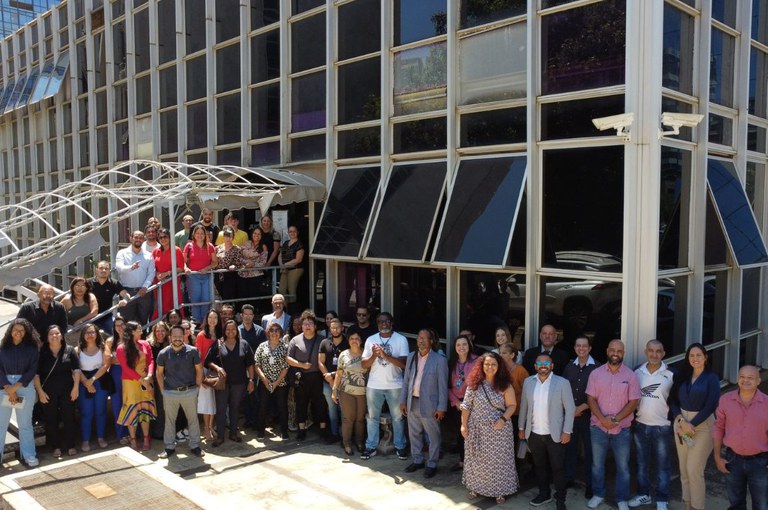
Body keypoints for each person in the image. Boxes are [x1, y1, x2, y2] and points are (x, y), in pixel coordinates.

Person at [585, 339, 641, 510]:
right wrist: (603, 419)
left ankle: (622, 498)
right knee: (597, 465)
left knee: (623, 467)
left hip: (622, 429)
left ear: (623, 353)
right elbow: (590, 399)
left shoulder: (631, 375)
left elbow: (634, 402)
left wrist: (615, 419)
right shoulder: (596, 374)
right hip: (598, 427)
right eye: (612, 350)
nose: (615, 353)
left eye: (619, 351)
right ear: (607, 351)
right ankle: (598, 494)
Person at [518, 354, 575, 510]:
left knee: (558, 468)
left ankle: (560, 500)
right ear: (535, 366)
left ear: (552, 366)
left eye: (547, 362)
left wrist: (567, 431)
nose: (543, 365)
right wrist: (521, 427)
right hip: (534, 434)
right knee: (540, 467)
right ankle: (544, 494)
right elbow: (524, 406)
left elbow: (570, 409)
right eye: (540, 363)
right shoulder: (528, 382)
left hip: (555, 435)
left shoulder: (562, 383)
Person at [460, 352, 518, 504]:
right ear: (481, 366)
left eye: (493, 364)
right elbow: (466, 406)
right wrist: (463, 425)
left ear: (499, 366)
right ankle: (475, 487)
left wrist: (503, 419)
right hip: (477, 429)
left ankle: (500, 491)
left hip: (499, 430)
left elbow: (512, 405)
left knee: (499, 462)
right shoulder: (474, 384)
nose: (490, 367)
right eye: (486, 364)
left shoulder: (505, 385)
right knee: (476, 460)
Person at [670, 343, 719, 510]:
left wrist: (691, 424)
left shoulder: (711, 378)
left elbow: (711, 405)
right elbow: (673, 400)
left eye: (699, 355)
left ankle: (698, 507)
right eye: (691, 355)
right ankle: (687, 505)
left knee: (694, 470)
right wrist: (681, 420)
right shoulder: (682, 375)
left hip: (702, 426)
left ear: (705, 357)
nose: (695, 358)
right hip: (681, 423)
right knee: (684, 470)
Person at [712, 365, 768, 510]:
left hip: (761, 462)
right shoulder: (725, 400)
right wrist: (717, 457)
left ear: (758, 381)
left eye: (750, 378)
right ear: (737, 379)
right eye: (742, 377)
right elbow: (718, 428)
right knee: (736, 503)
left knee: (761, 505)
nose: (745, 380)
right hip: (733, 460)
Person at [629, 340, 674, 510]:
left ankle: (662, 498)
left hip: (663, 426)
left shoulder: (671, 373)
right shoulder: (636, 371)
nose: (654, 354)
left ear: (663, 353)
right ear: (645, 352)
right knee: (641, 464)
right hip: (641, 425)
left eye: (658, 351)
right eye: (651, 350)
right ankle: (644, 495)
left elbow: (677, 400)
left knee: (663, 466)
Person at [360, 312, 409, 460]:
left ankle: (400, 446)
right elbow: (364, 364)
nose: (384, 324)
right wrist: (374, 355)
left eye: (387, 321)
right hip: (374, 385)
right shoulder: (371, 340)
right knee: (372, 418)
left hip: (395, 385)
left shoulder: (401, 339)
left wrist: (385, 355)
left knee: (398, 418)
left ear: (392, 323)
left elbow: (404, 364)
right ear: (377, 324)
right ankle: (371, 446)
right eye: (381, 322)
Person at [400, 328, 449, 479]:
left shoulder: (439, 360)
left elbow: (443, 386)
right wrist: (402, 400)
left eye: (424, 338)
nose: (420, 341)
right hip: (412, 401)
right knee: (414, 434)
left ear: (431, 341)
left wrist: (442, 407)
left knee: (433, 436)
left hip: (430, 405)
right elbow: (406, 381)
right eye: (419, 338)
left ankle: (432, 463)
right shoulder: (411, 357)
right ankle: (418, 460)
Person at [155, 324, 204, 458]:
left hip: (189, 391)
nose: (177, 339)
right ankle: (169, 447)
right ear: (170, 337)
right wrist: (163, 390)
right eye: (174, 336)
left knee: (193, 420)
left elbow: (199, 370)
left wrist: (197, 387)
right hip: (170, 392)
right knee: (169, 421)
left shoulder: (193, 351)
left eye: (180, 336)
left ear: (184, 336)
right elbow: (159, 373)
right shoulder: (163, 353)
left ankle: (195, 446)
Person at [205, 319, 255, 446]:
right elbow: (208, 361)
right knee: (221, 409)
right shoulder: (218, 344)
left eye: (233, 329)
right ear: (224, 331)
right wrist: (218, 368)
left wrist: (251, 380)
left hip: (239, 383)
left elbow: (250, 364)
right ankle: (220, 436)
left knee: (235, 408)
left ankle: (233, 434)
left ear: (237, 331)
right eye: (228, 329)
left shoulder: (244, 344)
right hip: (222, 383)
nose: (230, 331)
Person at [562, 335, 600, 499]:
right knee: (570, 449)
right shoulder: (569, 367)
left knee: (590, 452)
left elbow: (600, 393)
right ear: (575, 348)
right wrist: (571, 410)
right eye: (578, 345)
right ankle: (569, 478)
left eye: (584, 346)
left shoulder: (597, 367)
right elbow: (563, 389)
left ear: (590, 348)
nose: (581, 348)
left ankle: (590, 485)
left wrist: (583, 407)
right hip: (571, 416)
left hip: (589, 416)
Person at [0, 318, 41, 467]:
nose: (18, 332)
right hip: (4, 387)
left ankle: (29, 455)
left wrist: (15, 388)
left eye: (22, 330)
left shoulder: (32, 349)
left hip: (24, 386)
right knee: (1, 424)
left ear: (26, 332)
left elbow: (32, 370)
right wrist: (8, 388)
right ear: (10, 330)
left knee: (25, 424)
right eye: (16, 329)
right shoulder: (2, 348)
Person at [34, 324, 80, 458]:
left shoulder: (69, 350)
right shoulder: (42, 353)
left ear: (62, 336)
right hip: (48, 391)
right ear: (47, 337)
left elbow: (77, 370)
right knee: (51, 419)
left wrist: (76, 388)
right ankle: (56, 447)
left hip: (68, 390)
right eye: (51, 334)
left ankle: (71, 445)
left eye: (57, 333)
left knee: (69, 417)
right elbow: (36, 375)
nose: (54, 336)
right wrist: (40, 392)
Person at [286, 310, 329, 442]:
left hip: (318, 377)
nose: (307, 326)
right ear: (301, 326)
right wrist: (302, 365)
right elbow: (288, 358)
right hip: (302, 377)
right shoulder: (295, 340)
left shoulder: (322, 340)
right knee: (301, 405)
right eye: (305, 324)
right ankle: (301, 431)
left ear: (315, 326)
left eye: (310, 323)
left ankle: (323, 430)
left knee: (321, 404)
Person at [116, 321, 157, 452]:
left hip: (146, 379)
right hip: (130, 383)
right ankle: (133, 439)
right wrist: (141, 379)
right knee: (132, 411)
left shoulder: (145, 344)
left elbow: (151, 360)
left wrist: (149, 375)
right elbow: (126, 368)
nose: (141, 331)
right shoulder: (121, 348)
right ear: (132, 331)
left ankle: (146, 438)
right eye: (139, 329)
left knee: (145, 409)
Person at [331, 331, 368, 455]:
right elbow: (339, 373)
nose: (354, 341)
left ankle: (359, 442)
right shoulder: (343, 354)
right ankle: (347, 444)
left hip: (363, 392)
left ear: (361, 341)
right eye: (352, 338)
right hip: (346, 391)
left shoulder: (366, 353)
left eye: (357, 338)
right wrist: (334, 389)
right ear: (348, 340)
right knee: (348, 418)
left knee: (360, 419)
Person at [76, 323, 111, 452]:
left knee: (100, 411)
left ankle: (101, 437)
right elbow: (75, 368)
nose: (90, 335)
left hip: (100, 381)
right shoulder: (77, 350)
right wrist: (86, 382)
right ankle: (85, 440)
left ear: (97, 334)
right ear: (82, 335)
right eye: (87, 332)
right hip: (84, 382)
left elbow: (105, 365)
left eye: (92, 332)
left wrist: (92, 380)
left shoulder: (102, 347)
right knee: (86, 412)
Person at [254, 321, 290, 441]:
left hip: (281, 383)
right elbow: (256, 364)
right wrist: (264, 380)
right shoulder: (262, 346)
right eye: (272, 330)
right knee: (262, 406)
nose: (274, 333)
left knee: (282, 407)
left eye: (277, 330)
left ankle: (284, 431)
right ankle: (260, 431)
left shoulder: (285, 347)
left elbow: (286, 367)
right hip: (265, 382)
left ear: (280, 332)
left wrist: (276, 382)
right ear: (268, 333)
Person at [448, 333, 478, 471]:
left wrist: (468, 402)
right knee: (461, 434)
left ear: (469, 345)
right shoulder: (451, 363)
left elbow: (479, 384)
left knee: (473, 435)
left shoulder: (477, 361)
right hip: (457, 404)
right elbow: (447, 386)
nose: (461, 347)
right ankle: (463, 462)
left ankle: (475, 465)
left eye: (464, 344)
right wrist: (456, 402)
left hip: (473, 404)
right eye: (458, 345)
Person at [115, 230, 156, 325]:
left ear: (143, 240)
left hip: (144, 293)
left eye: (141, 238)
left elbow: (151, 273)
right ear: (131, 238)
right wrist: (131, 267)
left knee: (144, 321)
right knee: (126, 322)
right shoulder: (122, 253)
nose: (138, 240)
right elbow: (119, 268)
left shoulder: (148, 255)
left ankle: (143, 335)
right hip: (127, 292)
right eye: (136, 237)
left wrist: (145, 287)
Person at [318, 318, 348, 442]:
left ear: (342, 328)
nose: (335, 330)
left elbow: (350, 364)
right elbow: (320, 362)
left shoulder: (348, 343)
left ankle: (345, 436)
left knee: (344, 410)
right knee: (332, 410)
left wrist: (334, 375)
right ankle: (335, 434)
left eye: (337, 327)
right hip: (328, 382)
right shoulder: (324, 342)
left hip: (344, 382)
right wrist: (329, 378)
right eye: (332, 327)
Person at [239, 304, 266, 429]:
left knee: (256, 394)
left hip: (256, 367)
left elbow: (264, 350)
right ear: (241, 315)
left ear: (253, 316)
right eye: (245, 314)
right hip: (241, 367)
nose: (248, 317)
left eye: (250, 314)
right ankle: (248, 419)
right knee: (245, 394)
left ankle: (257, 420)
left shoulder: (260, 331)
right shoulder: (237, 330)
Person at [183, 224, 217, 324]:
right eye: (197, 233)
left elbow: (215, 262)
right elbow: (183, 262)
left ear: (205, 235)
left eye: (202, 233)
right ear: (194, 234)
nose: (200, 235)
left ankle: (205, 320)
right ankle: (197, 320)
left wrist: (207, 268)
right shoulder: (189, 246)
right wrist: (186, 268)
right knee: (195, 299)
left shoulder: (210, 246)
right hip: (193, 276)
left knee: (206, 298)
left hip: (207, 276)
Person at [196, 309, 221, 441]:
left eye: (215, 318)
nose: (212, 320)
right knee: (206, 402)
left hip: (217, 371)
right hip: (205, 371)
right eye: (210, 317)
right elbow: (198, 357)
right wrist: (201, 376)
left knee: (215, 401)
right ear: (206, 319)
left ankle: (212, 426)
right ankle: (206, 428)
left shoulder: (220, 334)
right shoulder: (201, 335)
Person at [152, 227, 186, 319]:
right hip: (159, 283)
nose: (163, 239)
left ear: (170, 237)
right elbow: (153, 267)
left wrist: (167, 273)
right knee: (159, 305)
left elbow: (181, 268)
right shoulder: (155, 251)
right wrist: (157, 274)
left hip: (172, 282)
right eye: (160, 237)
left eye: (165, 237)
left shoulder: (176, 250)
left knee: (173, 304)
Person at [105, 316, 129, 444]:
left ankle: (134, 432)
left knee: (130, 401)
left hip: (129, 372)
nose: (119, 328)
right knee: (117, 403)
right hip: (115, 372)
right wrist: (124, 359)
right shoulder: (110, 341)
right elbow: (109, 360)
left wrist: (119, 359)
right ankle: (122, 434)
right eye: (117, 325)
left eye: (122, 324)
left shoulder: (130, 339)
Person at [89, 261, 130, 336]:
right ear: (96, 270)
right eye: (101, 268)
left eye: (106, 268)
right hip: (90, 318)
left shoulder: (113, 283)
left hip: (107, 317)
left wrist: (125, 300)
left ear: (109, 271)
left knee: (116, 334)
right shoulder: (89, 283)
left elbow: (126, 294)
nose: (104, 270)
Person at [499, 342, 527, 439]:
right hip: (500, 412)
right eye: (500, 353)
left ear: (512, 355)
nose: (500, 355)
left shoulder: (521, 370)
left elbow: (526, 392)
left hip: (516, 412)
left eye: (504, 353)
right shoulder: (498, 369)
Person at [148, 321, 171, 440]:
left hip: (169, 378)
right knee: (157, 405)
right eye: (157, 331)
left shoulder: (170, 344)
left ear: (167, 331)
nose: (160, 333)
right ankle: (157, 432)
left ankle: (167, 431)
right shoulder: (149, 344)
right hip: (155, 378)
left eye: (162, 330)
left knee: (166, 406)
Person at [239, 226, 270, 308]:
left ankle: (255, 312)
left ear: (261, 236)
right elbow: (239, 257)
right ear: (252, 234)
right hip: (244, 274)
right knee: (243, 295)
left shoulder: (263, 247)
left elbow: (263, 262)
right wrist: (246, 263)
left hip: (256, 275)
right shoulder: (246, 244)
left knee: (254, 295)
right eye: (255, 233)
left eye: (259, 234)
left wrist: (253, 264)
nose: (257, 235)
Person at [60, 277, 100, 342]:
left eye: (83, 286)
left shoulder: (90, 296)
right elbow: (57, 312)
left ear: (86, 288)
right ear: (72, 287)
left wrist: (80, 321)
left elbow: (95, 311)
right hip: (70, 330)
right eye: (77, 285)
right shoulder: (67, 299)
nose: (80, 288)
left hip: (86, 329)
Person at [215, 226, 243, 307]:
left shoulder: (237, 249)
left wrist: (234, 266)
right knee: (218, 297)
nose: (228, 238)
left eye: (230, 236)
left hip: (230, 276)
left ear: (233, 237)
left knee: (227, 298)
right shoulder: (217, 248)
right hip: (218, 276)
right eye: (226, 236)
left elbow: (238, 263)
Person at [278, 225, 305, 306]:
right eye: (290, 231)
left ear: (297, 232)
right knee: (281, 290)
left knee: (291, 289)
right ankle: (285, 308)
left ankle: (293, 309)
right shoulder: (285, 243)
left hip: (295, 269)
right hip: (285, 268)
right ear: (288, 233)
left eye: (294, 231)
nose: (292, 233)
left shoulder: (299, 244)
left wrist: (285, 265)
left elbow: (298, 259)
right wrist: (282, 266)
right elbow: (280, 255)